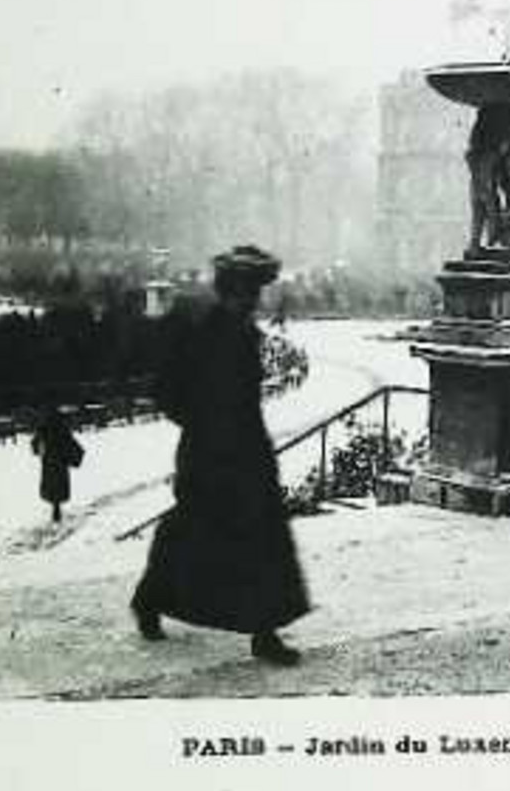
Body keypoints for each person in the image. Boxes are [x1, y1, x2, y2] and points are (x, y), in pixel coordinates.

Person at [129, 245, 311, 667]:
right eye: (246, 292)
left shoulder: (244, 331)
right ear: (229, 290)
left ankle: (265, 632)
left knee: (263, 536)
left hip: (247, 451)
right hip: (208, 454)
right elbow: (167, 390)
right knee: (190, 530)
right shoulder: (203, 330)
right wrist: (202, 428)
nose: (252, 300)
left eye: (255, 293)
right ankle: (150, 599)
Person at [31, 406, 84, 523]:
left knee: (51, 485)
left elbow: (35, 443)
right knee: (59, 485)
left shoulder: (43, 427)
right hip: (60, 461)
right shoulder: (61, 428)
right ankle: (57, 508)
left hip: (48, 461)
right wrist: (77, 455)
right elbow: (70, 443)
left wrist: (38, 450)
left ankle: (55, 507)